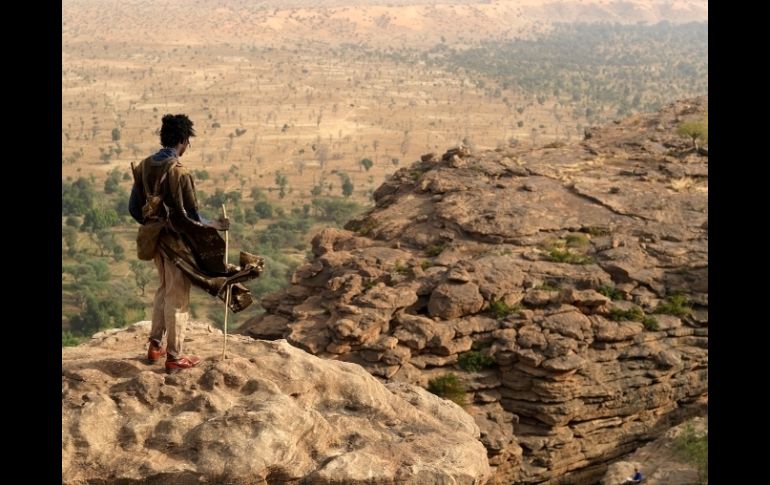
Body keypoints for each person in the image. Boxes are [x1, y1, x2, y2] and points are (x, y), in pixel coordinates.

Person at [129, 114, 229, 371]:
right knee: (177, 296)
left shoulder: (143, 165)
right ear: (183, 141)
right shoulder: (179, 172)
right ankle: (174, 357)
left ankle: (155, 345)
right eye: (188, 143)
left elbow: (134, 208)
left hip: (155, 241)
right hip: (176, 243)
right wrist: (214, 225)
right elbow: (191, 216)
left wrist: (153, 222)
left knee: (163, 289)